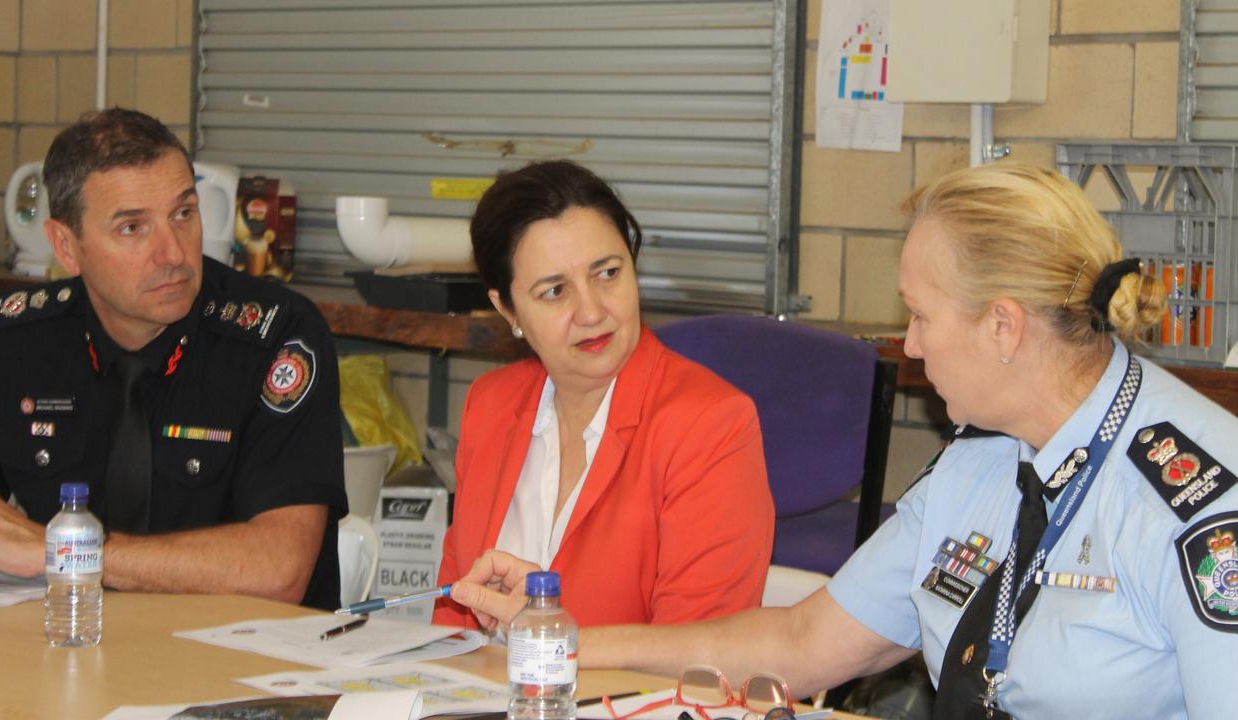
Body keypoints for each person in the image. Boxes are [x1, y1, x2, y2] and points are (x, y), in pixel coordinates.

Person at [448, 164, 1238, 718]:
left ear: (1003, 326)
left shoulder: (1200, 501)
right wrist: (564, 638)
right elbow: (801, 641)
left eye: (920, 317)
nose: (910, 347)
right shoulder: (977, 469)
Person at [0, 108, 346, 610]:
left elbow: (278, 569)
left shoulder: (277, 335)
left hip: (242, 665)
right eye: (132, 228)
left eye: (183, 214)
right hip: (70, 650)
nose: (172, 254)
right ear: (65, 246)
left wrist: (62, 550)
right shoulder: (17, 342)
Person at [432, 160, 774, 628]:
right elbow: (454, 621)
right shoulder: (489, 405)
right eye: (555, 291)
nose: (591, 311)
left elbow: (700, 661)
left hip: (626, 702)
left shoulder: (710, 424)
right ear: (506, 309)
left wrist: (550, 641)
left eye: (608, 273)